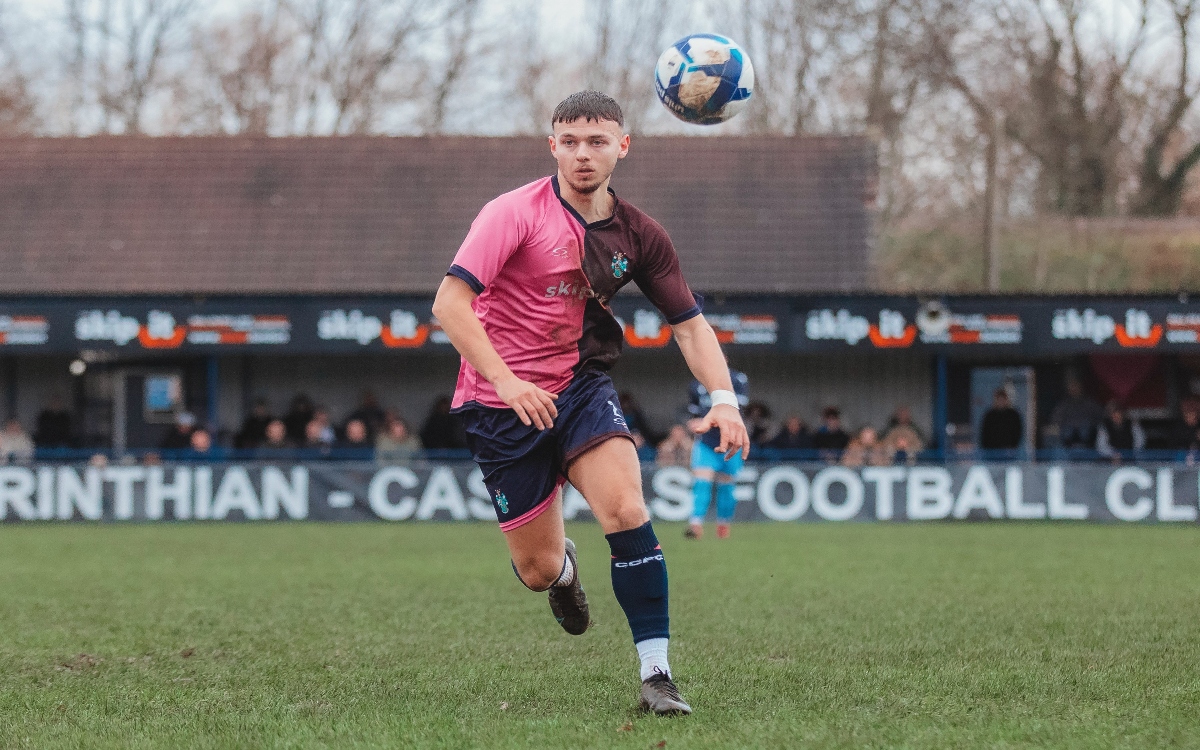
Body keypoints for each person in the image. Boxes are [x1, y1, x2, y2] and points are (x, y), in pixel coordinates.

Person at [431, 91, 748, 715]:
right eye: (570, 141)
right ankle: (565, 573)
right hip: (500, 402)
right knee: (537, 570)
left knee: (627, 508)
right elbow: (449, 304)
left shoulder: (639, 234)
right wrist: (506, 381)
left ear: (621, 147)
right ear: (553, 146)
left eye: (597, 141)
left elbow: (688, 323)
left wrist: (725, 399)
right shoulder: (510, 213)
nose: (582, 154)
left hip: (579, 387)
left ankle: (656, 674)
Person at [684, 370, 749, 541]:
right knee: (701, 483)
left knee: (726, 486)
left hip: (730, 441)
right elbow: (694, 415)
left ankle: (723, 525)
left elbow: (738, 411)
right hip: (706, 443)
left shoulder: (737, 380)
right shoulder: (696, 385)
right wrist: (693, 422)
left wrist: (712, 420)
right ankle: (695, 524)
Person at [1050, 378, 1104, 449]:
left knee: (1085, 430)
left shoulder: (1089, 403)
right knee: (1067, 432)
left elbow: (1100, 415)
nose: (1074, 389)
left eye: (1076, 387)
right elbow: (1055, 418)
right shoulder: (1064, 404)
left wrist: (1091, 423)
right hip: (1068, 436)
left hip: (1086, 436)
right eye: (1072, 387)